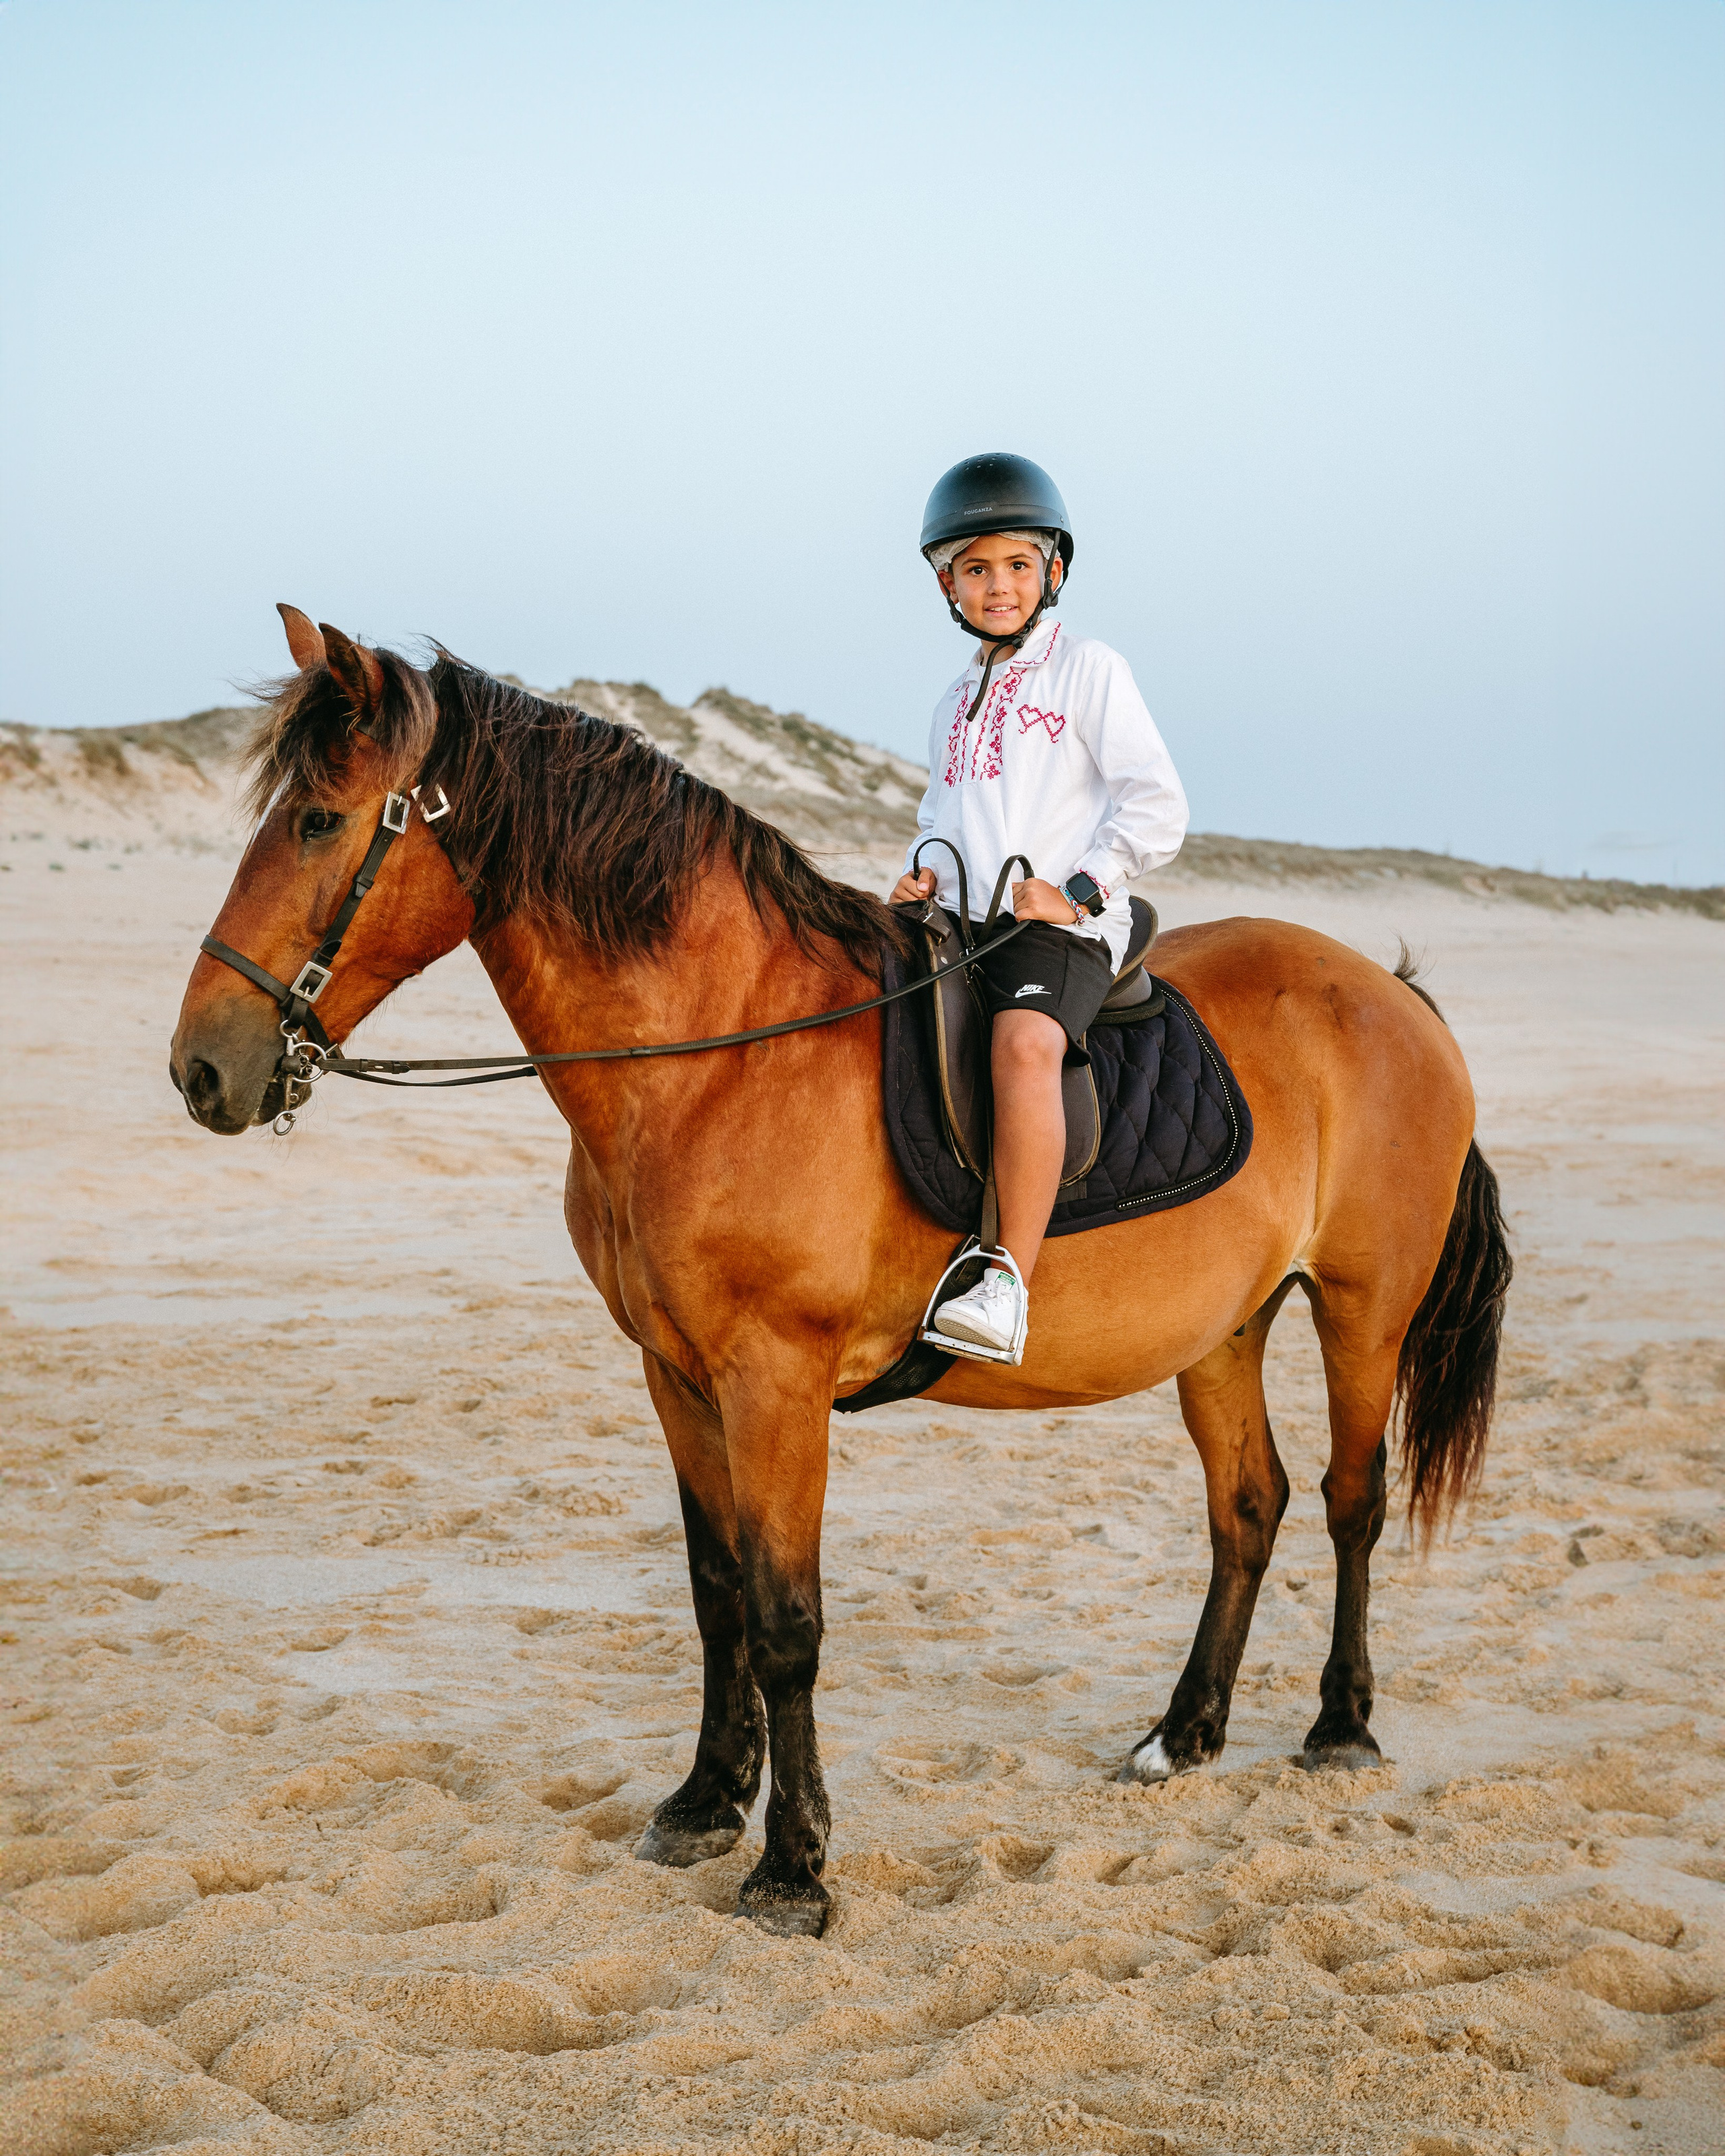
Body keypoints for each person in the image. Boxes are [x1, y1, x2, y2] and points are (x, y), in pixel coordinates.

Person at [889, 453, 1189, 1356]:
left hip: (1058, 927)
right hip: (965, 928)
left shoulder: (1089, 669)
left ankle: (1006, 1281)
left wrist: (1077, 891)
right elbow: (940, 810)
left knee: (1024, 1047)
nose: (999, 586)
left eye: (1018, 565)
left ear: (1052, 571)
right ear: (948, 583)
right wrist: (920, 874)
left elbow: (1157, 803)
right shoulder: (953, 701)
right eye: (976, 569)